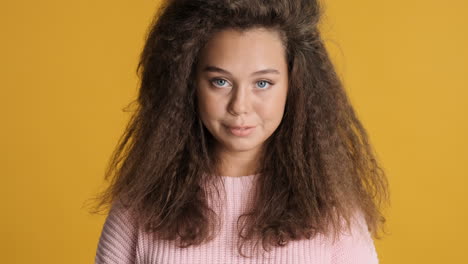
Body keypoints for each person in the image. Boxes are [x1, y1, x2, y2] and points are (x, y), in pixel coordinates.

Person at [89, 0, 390, 263]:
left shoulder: (334, 211)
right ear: (189, 83)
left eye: (262, 83)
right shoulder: (141, 206)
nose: (240, 106)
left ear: (294, 86)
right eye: (221, 81)